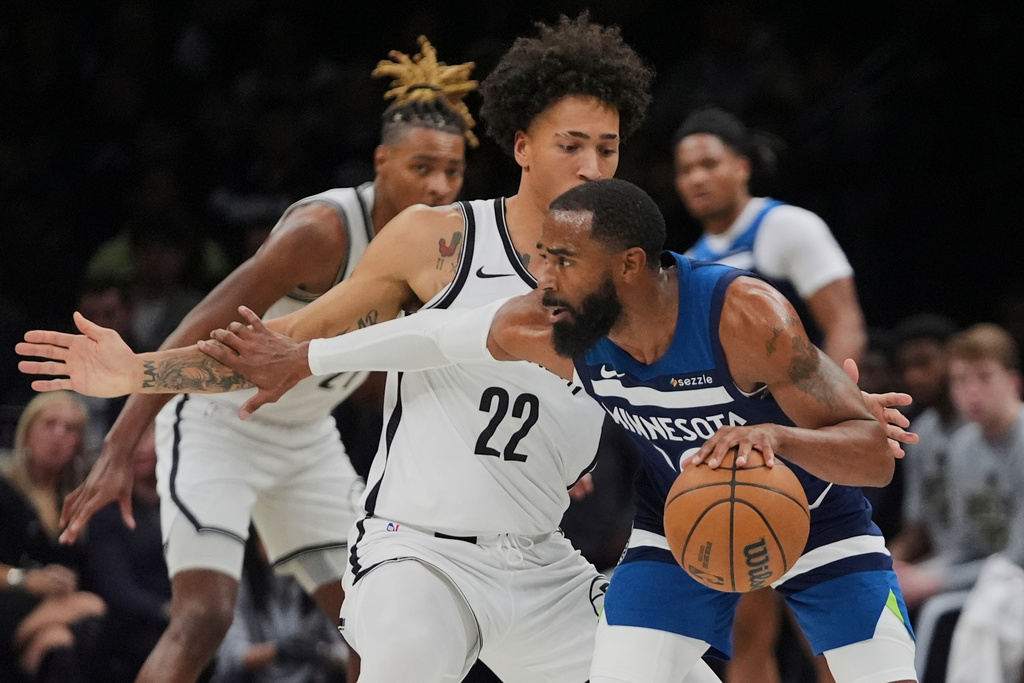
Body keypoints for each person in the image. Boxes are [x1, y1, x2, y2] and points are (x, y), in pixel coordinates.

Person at [18, 15, 732, 683]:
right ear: (521, 146)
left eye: (607, 147)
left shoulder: (627, 276)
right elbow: (282, 343)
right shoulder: (438, 241)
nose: (592, 166)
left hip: (538, 558)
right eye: (570, 145)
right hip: (418, 551)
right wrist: (138, 372)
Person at [181, 178, 917, 683]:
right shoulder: (555, 324)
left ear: (629, 266)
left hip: (821, 520)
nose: (542, 275)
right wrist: (304, 358)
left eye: (563, 260)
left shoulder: (745, 316)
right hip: (680, 525)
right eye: (542, 256)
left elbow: (874, 456)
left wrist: (782, 440)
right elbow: (431, 338)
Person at [31, 37, 476, 683]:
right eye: (422, 167)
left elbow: (375, 376)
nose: (438, 186)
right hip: (217, 424)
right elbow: (200, 323)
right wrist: (121, 444)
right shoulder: (323, 231)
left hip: (307, 438)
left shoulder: (443, 249)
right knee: (205, 616)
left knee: (376, 624)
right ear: (382, 161)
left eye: (454, 172)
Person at [673, 105, 871, 683]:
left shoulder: (786, 227)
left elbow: (845, 322)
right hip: (739, 450)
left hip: (801, 440)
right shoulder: (691, 261)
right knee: (744, 626)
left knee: (826, 628)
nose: (696, 178)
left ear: (743, 165)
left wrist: (832, 421)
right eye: (685, 169)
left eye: (709, 163)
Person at [894, 324, 1024, 682]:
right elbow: (963, 547)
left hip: (1013, 576)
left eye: (984, 377)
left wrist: (936, 582)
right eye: (961, 380)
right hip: (991, 577)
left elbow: (1019, 557)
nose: (972, 391)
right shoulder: (963, 447)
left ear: (1013, 382)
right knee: (892, 593)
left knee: (945, 610)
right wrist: (914, 575)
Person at [0, 393, 107, 682]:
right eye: (49, 424)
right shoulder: (4, 487)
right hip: (9, 598)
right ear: (27, 432)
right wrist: (26, 579)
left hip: (53, 608)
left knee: (56, 640)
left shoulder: (77, 499)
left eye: (70, 429)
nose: (58, 435)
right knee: (91, 607)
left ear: (79, 444)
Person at [82, 424, 172, 682]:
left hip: (186, 619)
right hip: (132, 627)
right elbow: (116, 588)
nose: (139, 448)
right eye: (133, 439)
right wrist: (169, 611)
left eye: (146, 437)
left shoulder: (180, 503)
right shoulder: (106, 511)